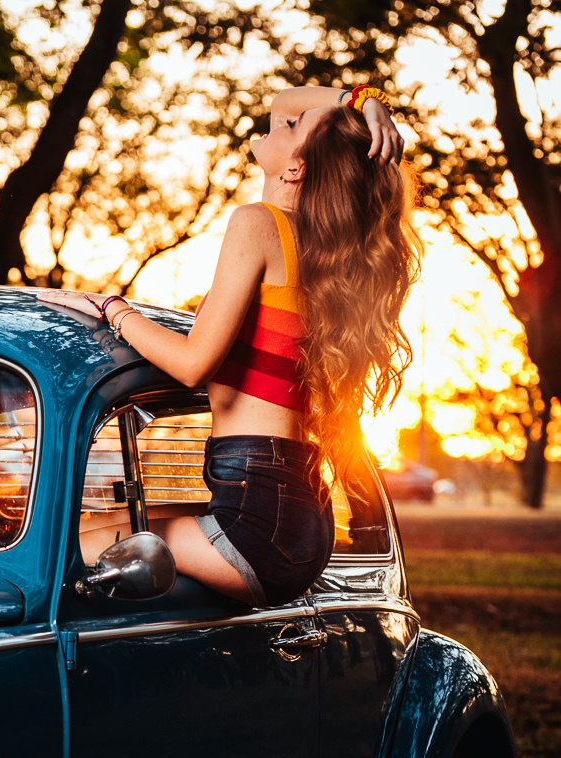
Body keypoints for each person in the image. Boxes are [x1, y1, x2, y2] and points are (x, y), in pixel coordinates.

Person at [39, 84, 421, 606]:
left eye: (294, 127)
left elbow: (193, 364)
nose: (280, 120)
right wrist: (361, 99)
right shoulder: (314, 250)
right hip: (289, 511)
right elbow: (284, 101)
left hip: (259, 518)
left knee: (60, 557)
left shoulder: (260, 224)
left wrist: (114, 310)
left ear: (295, 169)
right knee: (88, 527)